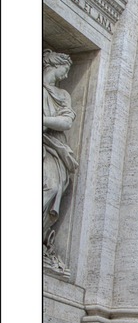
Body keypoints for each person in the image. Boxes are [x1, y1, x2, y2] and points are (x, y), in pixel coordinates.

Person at [43, 50, 77, 248]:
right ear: (54, 65)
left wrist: (43, 120)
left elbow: (66, 122)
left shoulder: (63, 95)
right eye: (64, 70)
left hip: (54, 147)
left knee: (53, 186)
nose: (65, 76)